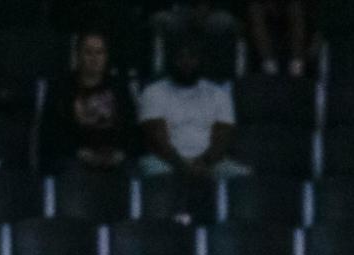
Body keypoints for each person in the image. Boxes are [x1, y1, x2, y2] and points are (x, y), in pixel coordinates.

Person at [138, 39, 246, 178]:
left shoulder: (218, 93)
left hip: (211, 162)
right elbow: (157, 140)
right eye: (181, 57)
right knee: (155, 171)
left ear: (200, 60)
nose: (186, 62)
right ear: (171, 60)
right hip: (165, 161)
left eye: (192, 57)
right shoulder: (153, 92)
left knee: (242, 177)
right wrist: (183, 166)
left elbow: (222, 138)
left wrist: (203, 163)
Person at [40, 29, 136, 170]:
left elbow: (130, 127)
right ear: (78, 55)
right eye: (88, 52)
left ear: (106, 56)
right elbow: (51, 131)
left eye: (99, 52)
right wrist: (79, 153)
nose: (94, 58)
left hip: (114, 157)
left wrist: (120, 153)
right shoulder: (61, 87)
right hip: (75, 157)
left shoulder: (119, 87)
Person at [247, 0, 314, 76]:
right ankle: (268, 61)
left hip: (289, 4)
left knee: (297, 10)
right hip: (263, 5)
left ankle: (297, 61)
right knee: (255, 11)